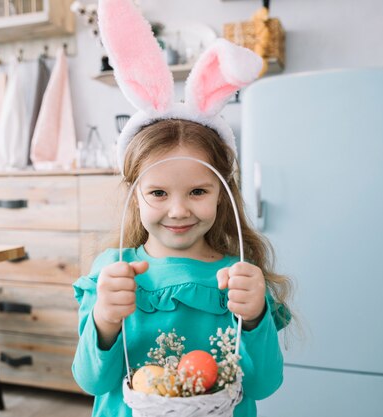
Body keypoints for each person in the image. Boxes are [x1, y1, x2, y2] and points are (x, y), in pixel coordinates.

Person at [72, 1, 292, 415]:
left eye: (197, 192)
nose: (177, 211)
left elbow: (263, 385)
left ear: (223, 192)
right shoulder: (110, 271)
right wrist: (104, 319)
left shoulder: (239, 276)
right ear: (135, 194)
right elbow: (92, 381)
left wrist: (256, 317)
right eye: (158, 193)